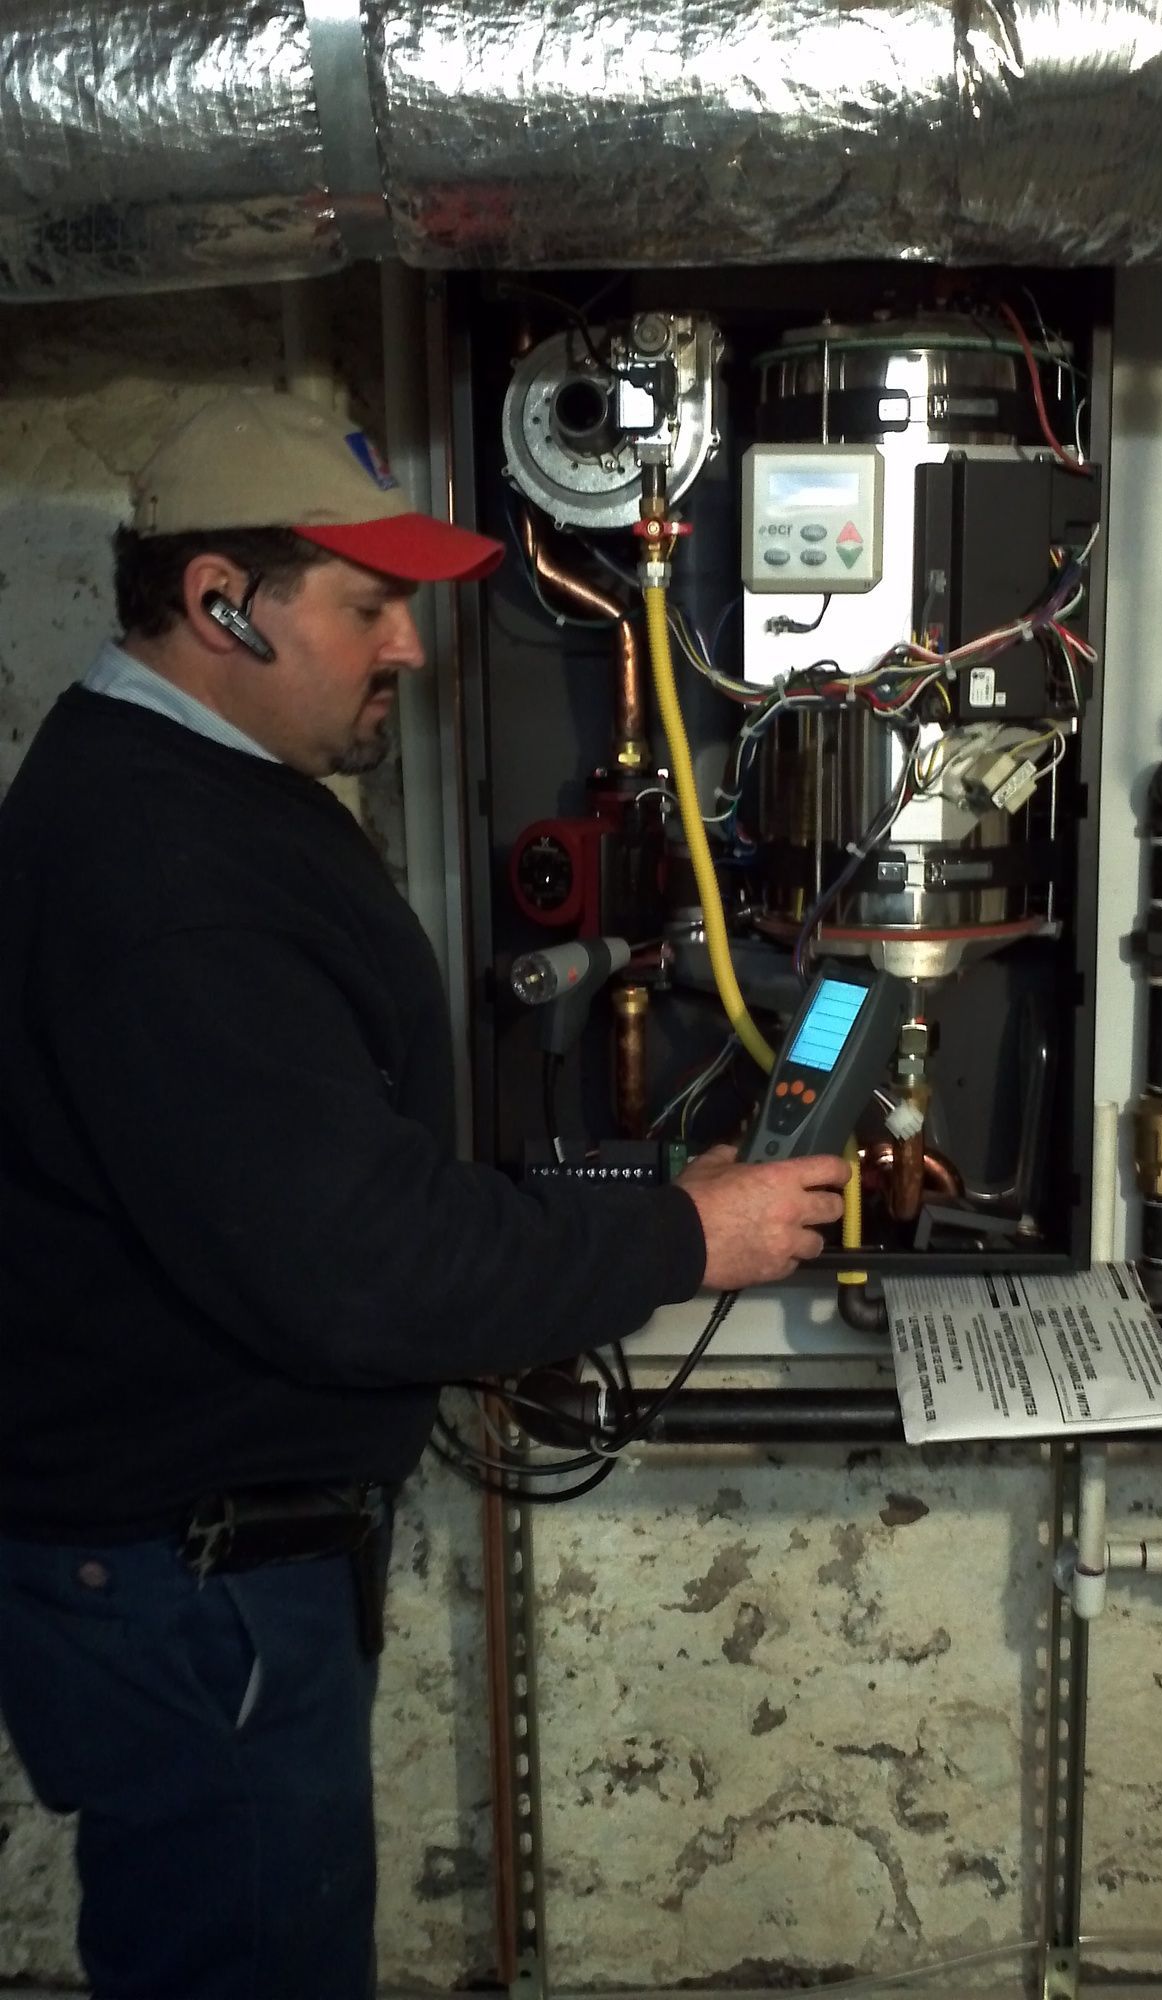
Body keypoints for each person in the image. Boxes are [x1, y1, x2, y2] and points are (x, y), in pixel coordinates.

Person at [0, 388, 848, 2000]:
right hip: (193, 1594)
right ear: (219, 603)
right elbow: (360, 1264)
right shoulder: (160, 872)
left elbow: (321, 1176)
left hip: (209, 1570)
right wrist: (687, 1234)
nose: (407, 648)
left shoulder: (198, 803)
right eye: (369, 606)